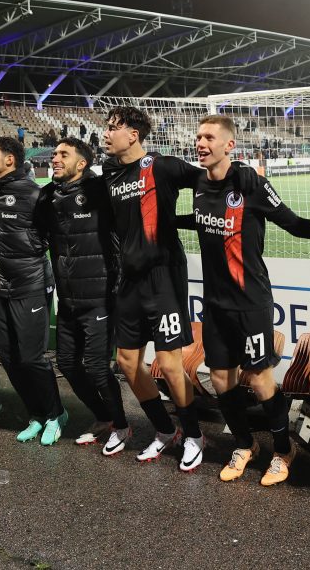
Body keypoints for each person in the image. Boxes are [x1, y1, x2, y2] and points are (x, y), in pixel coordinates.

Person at [177, 115, 310, 485]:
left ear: (229, 145)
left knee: (258, 377)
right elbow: (203, 217)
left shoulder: (252, 184)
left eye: (209, 137)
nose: (200, 143)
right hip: (215, 304)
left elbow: (294, 224)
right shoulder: (200, 183)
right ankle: (244, 444)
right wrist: (170, 220)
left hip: (251, 302)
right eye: (198, 137)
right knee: (221, 378)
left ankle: (284, 449)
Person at [100, 106, 213, 471]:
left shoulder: (162, 165)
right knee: (127, 361)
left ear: (133, 134)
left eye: (112, 128)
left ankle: (194, 433)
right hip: (129, 280)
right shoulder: (110, 174)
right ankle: (165, 430)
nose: (105, 134)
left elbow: (211, 182)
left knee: (168, 362)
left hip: (164, 276)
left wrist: (187, 220)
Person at [39, 137, 131, 454]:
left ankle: (122, 425)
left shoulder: (99, 191)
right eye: (54, 154)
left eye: (63, 154)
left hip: (100, 296)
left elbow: (120, 237)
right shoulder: (50, 195)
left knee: (95, 365)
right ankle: (104, 418)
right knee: (67, 363)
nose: (55, 158)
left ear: (81, 163)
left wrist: (116, 287)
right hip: (67, 300)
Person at [0, 136, 67, 444]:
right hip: (2, 288)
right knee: (8, 358)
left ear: (9, 160)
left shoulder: (36, 194)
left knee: (32, 358)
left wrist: (32, 248)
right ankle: (37, 414)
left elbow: (54, 236)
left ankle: (56, 414)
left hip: (31, 285)